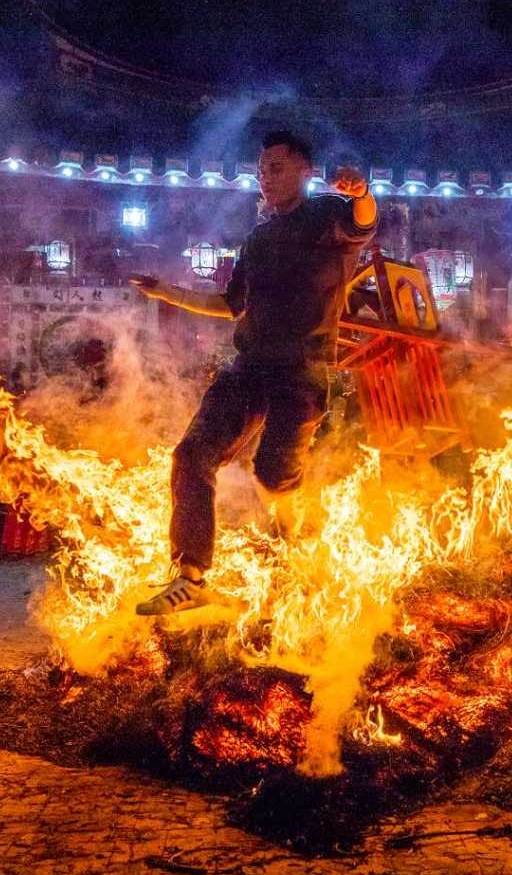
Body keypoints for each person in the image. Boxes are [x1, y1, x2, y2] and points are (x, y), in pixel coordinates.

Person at [131, 130, 377, 614]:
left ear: (306, 172)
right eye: (262, 170)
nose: (266, 177)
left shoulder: (328, 216)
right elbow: (229, 304)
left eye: (277, 168)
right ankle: (190, 575)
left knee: (274, 474)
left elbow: (364, 224)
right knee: (190, 455)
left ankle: (299, 540)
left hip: (302, 371)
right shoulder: (258, 238)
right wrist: (166, 292)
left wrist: (363, 193)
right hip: (249, 367)